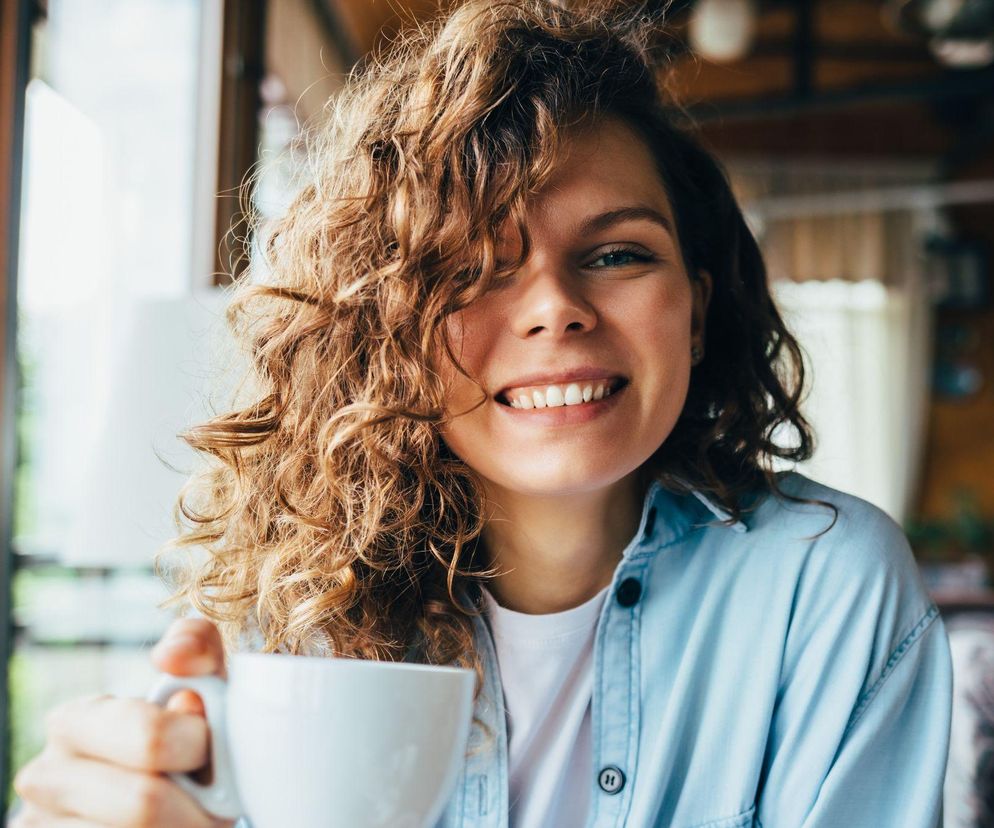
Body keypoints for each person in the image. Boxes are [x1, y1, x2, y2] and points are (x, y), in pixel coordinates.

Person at [11, 1, 952, 826]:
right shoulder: (288, 624)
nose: (555, 307)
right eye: (470, 270)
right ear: (390, 337)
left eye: (619, 253)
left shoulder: (825, 587)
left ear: (697, 312)